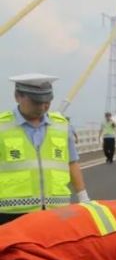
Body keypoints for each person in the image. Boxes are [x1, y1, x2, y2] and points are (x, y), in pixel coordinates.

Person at [1, 74, 89, 226]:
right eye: (36, 102)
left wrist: (84, 197)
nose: (42, 107)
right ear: (17, 97)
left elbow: (72, 163)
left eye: (47, 102)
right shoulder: (3, 126)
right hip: (12, 213)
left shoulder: (61, 126)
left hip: (57, 210)